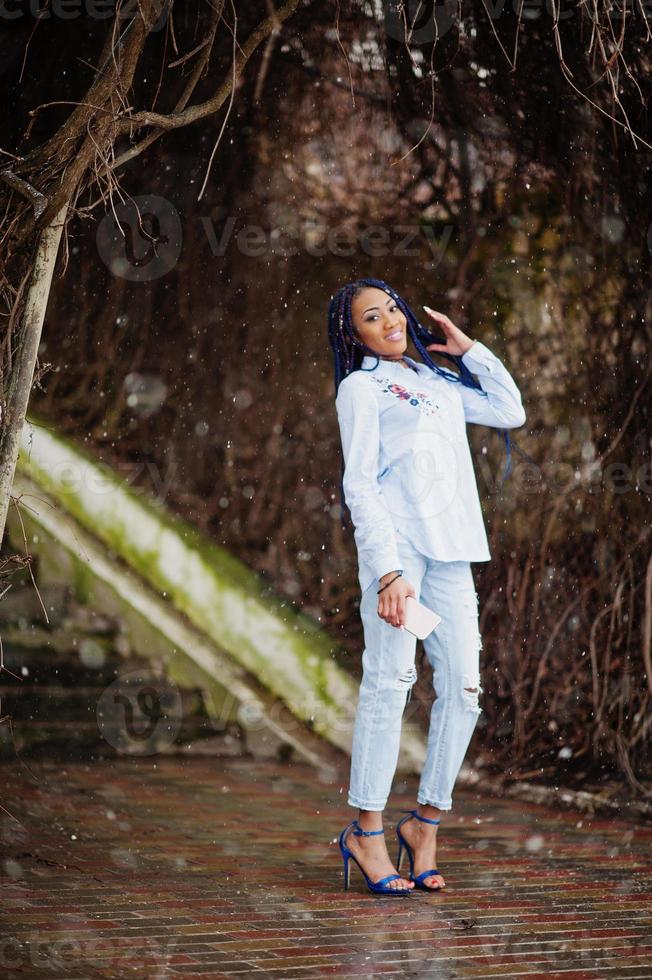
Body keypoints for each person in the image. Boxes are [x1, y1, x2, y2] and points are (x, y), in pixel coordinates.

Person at [327, 277, 526, 895]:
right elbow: (359, 484)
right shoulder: (361, 389)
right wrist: (386, 571)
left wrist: (469, 352)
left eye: (391, 309)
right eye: (370, 317)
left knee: (464, 689)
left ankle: (425, 825)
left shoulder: (437, 382)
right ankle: (366, 830)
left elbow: (509, 410)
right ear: (352, 333)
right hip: (401, 561)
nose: (387, 321)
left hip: (451, 557)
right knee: (394, 680)